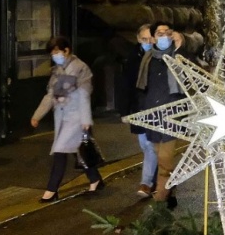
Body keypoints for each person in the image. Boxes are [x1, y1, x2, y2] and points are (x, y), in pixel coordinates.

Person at [30, 36, 103, 202]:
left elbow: (84, 94)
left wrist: (85, 120)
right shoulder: (56, 71)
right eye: (52, 53)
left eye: (57, 52)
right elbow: (50, 95)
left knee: (60, 151)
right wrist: (37, 115)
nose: (54, 55)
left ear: (66, 50)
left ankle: (51, 189)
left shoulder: (80, 68)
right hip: (63, 116)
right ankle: (95, 179)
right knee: (79, 151)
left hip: (76, 116)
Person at [136, 22, 188, 209]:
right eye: (160, 33)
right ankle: (170, 188)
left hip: (172, 115)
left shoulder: (179, 55)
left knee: (165, 160)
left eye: (168, 32)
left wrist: (184, 40)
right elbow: (142, 87)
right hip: (152, 114)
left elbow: (195, 49)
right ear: (154, 37)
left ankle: (158, 202)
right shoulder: (148, 58)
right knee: (159, 157)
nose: (164, 36)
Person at [120, 24, 159, 198]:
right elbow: (126, 86)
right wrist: (124, 111)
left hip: (157, 109)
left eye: (151, 39)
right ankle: (162, 181)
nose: (148, 42)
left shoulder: (160, 57)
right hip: (138, 109)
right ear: (138, 39)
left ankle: (146, 183)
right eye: (144, 39)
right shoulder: (132, 59)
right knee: (145, 145)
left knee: (151, 146)